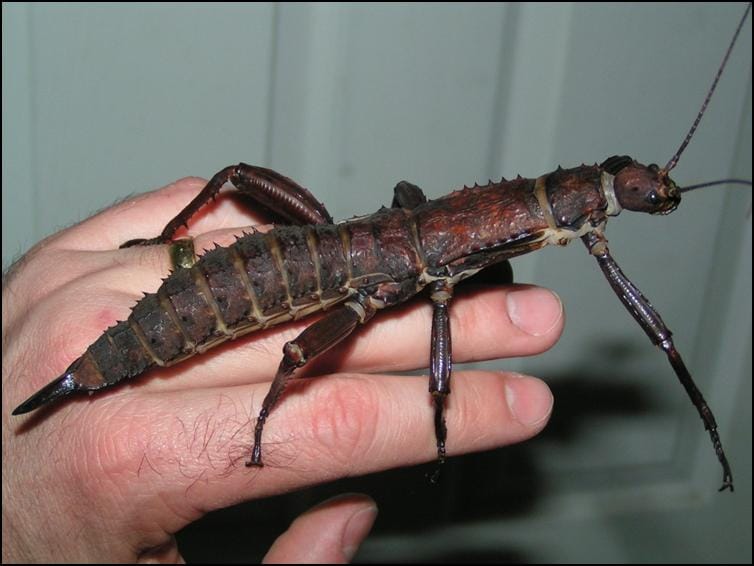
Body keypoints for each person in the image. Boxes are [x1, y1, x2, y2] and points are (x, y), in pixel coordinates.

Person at [2, 175, 563, 563]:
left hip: (317, 248)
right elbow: (297, 352)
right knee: (297, 349)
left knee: (239, 178)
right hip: (243, 291)